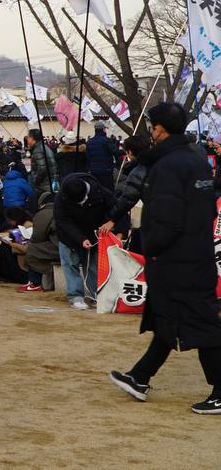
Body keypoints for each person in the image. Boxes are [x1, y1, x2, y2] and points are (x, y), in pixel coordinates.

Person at [109, 102, 221, 414]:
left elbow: (167, 218)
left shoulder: (167, 166)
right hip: (195, 251)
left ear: (158, 129)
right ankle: (140, 376)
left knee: (201, 322)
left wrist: (153, 248)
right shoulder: (197, 160)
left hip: (177, 257)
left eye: (152, 126)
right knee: (167, 317)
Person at [53, 173, 114, 310]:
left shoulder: (100, 191)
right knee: (70, 264)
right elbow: (63, 221)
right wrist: (80, 238)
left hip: (93, 234)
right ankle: (75, 297)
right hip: (68, 236)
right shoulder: (62, 196)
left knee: (93, 266)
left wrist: (113, 223)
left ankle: (96, 296)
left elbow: (116, 208)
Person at [102, 134, 150, 242]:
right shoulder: (159, 162)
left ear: (130, 152)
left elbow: (128, 198)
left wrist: (112, 219)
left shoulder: (139, 171)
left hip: (157, 215)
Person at [20, 191, 59, 292]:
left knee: (32, 249)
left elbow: (37, 237)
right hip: (72, 245)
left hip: (58, 248)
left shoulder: (44, 213)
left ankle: (34, 282)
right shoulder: (62, 209)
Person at [85, 121, 118, 190]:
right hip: (106, 170)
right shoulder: (106, 140)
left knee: (97, 189)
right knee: (108, 189)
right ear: (103, 129)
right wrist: (126, 151)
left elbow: (87, 157)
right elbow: (115, 151)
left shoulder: (89, 142)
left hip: (93, 170)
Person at [25, 129, 56, 197]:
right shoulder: (44, 147)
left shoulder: (38, 150)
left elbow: (42, 168)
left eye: (28, 137)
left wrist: (35, 181)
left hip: (43, 186)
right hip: (49, 182)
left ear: (32, 138)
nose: (27, 139)